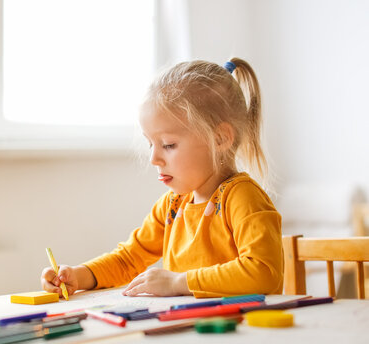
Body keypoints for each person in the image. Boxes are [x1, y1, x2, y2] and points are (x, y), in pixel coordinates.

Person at [41, 58, 283, 298]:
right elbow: (129, 258)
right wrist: (78, 275)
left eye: (168, 145)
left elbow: (263, 272)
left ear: (220, 138)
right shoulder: (173, 206)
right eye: (150, 144)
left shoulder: (242, 198)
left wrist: (179, 282)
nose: (154, 158)